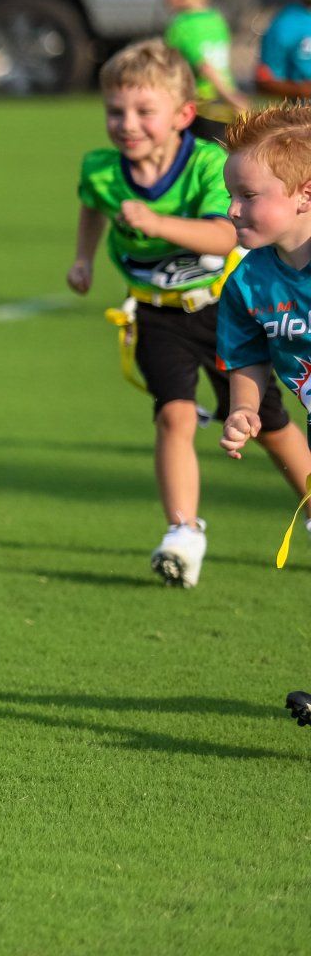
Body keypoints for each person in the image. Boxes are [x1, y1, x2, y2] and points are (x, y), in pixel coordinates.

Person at [67, 41, 309, 587]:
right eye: (115, 111)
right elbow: (91, 201)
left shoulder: (206, 164)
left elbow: (223, 236)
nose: (127, 124)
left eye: (143, 111)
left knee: (270, 425)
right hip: (156, 316)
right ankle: (183, 532)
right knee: (173, 415)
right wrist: (83, 258)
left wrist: (157, 224)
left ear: (182, 115)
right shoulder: (103, 170)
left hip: (218, 309)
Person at [215, 104, 311, 724]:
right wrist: (245, 411)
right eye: (231, 196)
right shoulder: (248, 284)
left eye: (249, 196)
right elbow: (248, 362)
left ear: (305, 195)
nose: (232, 210)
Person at [162, 0, 248, 144]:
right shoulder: (216, 19)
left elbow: (205, 67)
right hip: (226, 110)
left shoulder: (182, 26)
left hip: (201, 111)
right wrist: (232, 98)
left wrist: (231, 97)